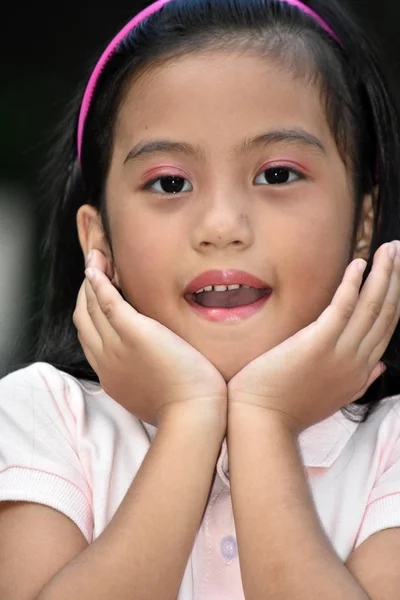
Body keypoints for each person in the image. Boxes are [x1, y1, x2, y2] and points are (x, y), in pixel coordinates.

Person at [1, 0, 400, 597]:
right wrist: (189, 416)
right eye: (169, 183)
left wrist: (266, 421)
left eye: (277, 175)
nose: (221, 225)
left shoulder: (389, 446)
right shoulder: (42, 418)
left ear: (363, 222)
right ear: (98, 236)